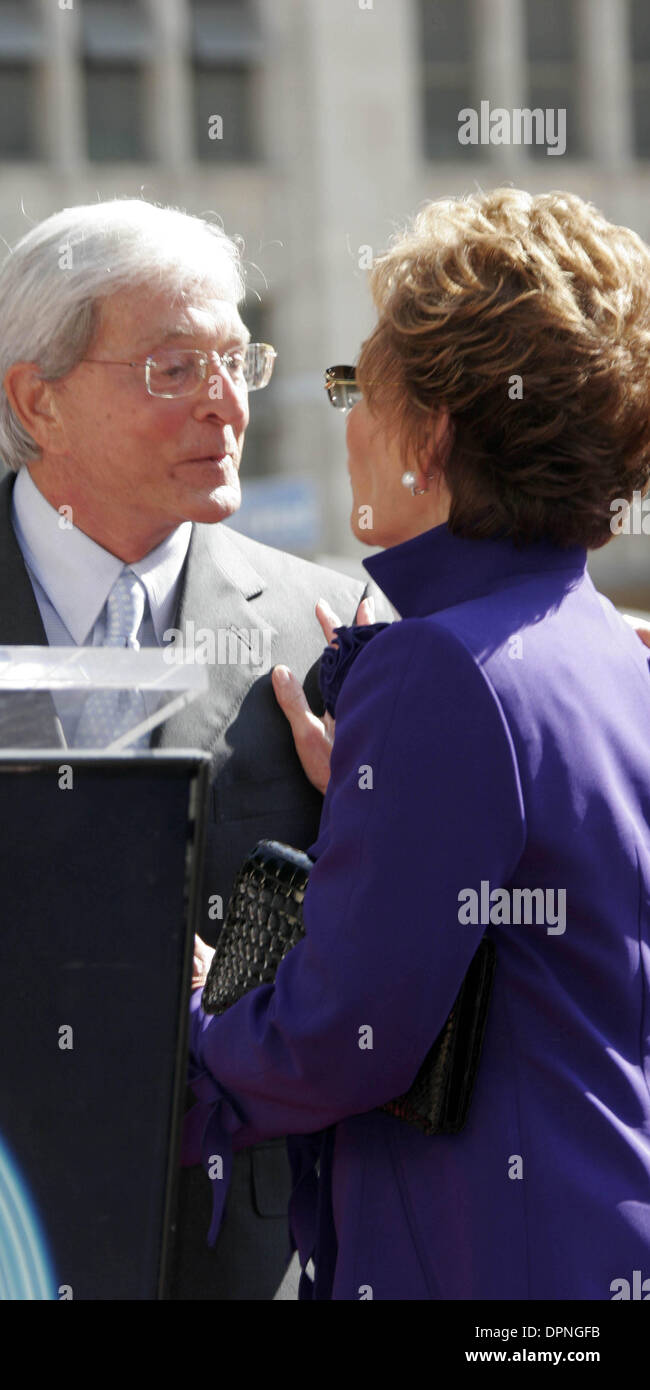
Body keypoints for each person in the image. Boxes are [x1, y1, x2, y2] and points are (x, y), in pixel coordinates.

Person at [0, 199, 371, 1299]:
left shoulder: (330, 626)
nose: (226, 402)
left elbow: (377, 955)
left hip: (242, 1251)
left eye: (238, 359)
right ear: (35, 398)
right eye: (173, 367)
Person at [183, 188, 650, 1299]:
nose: (339, 414)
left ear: (430, 433)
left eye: (355, 385)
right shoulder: (602, 643)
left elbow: (342, 1037)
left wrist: (197, 1020)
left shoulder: (437, 668)